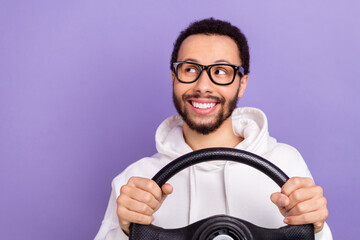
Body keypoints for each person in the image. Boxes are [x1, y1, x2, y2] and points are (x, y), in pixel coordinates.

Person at [95, 18, 332, 239]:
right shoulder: (136, 181)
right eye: (189, 69)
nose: (203, 86)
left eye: (220, 71)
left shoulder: (286, 163)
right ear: (173, 78)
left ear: (242, 84)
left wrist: (317, 228)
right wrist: (125, 231)